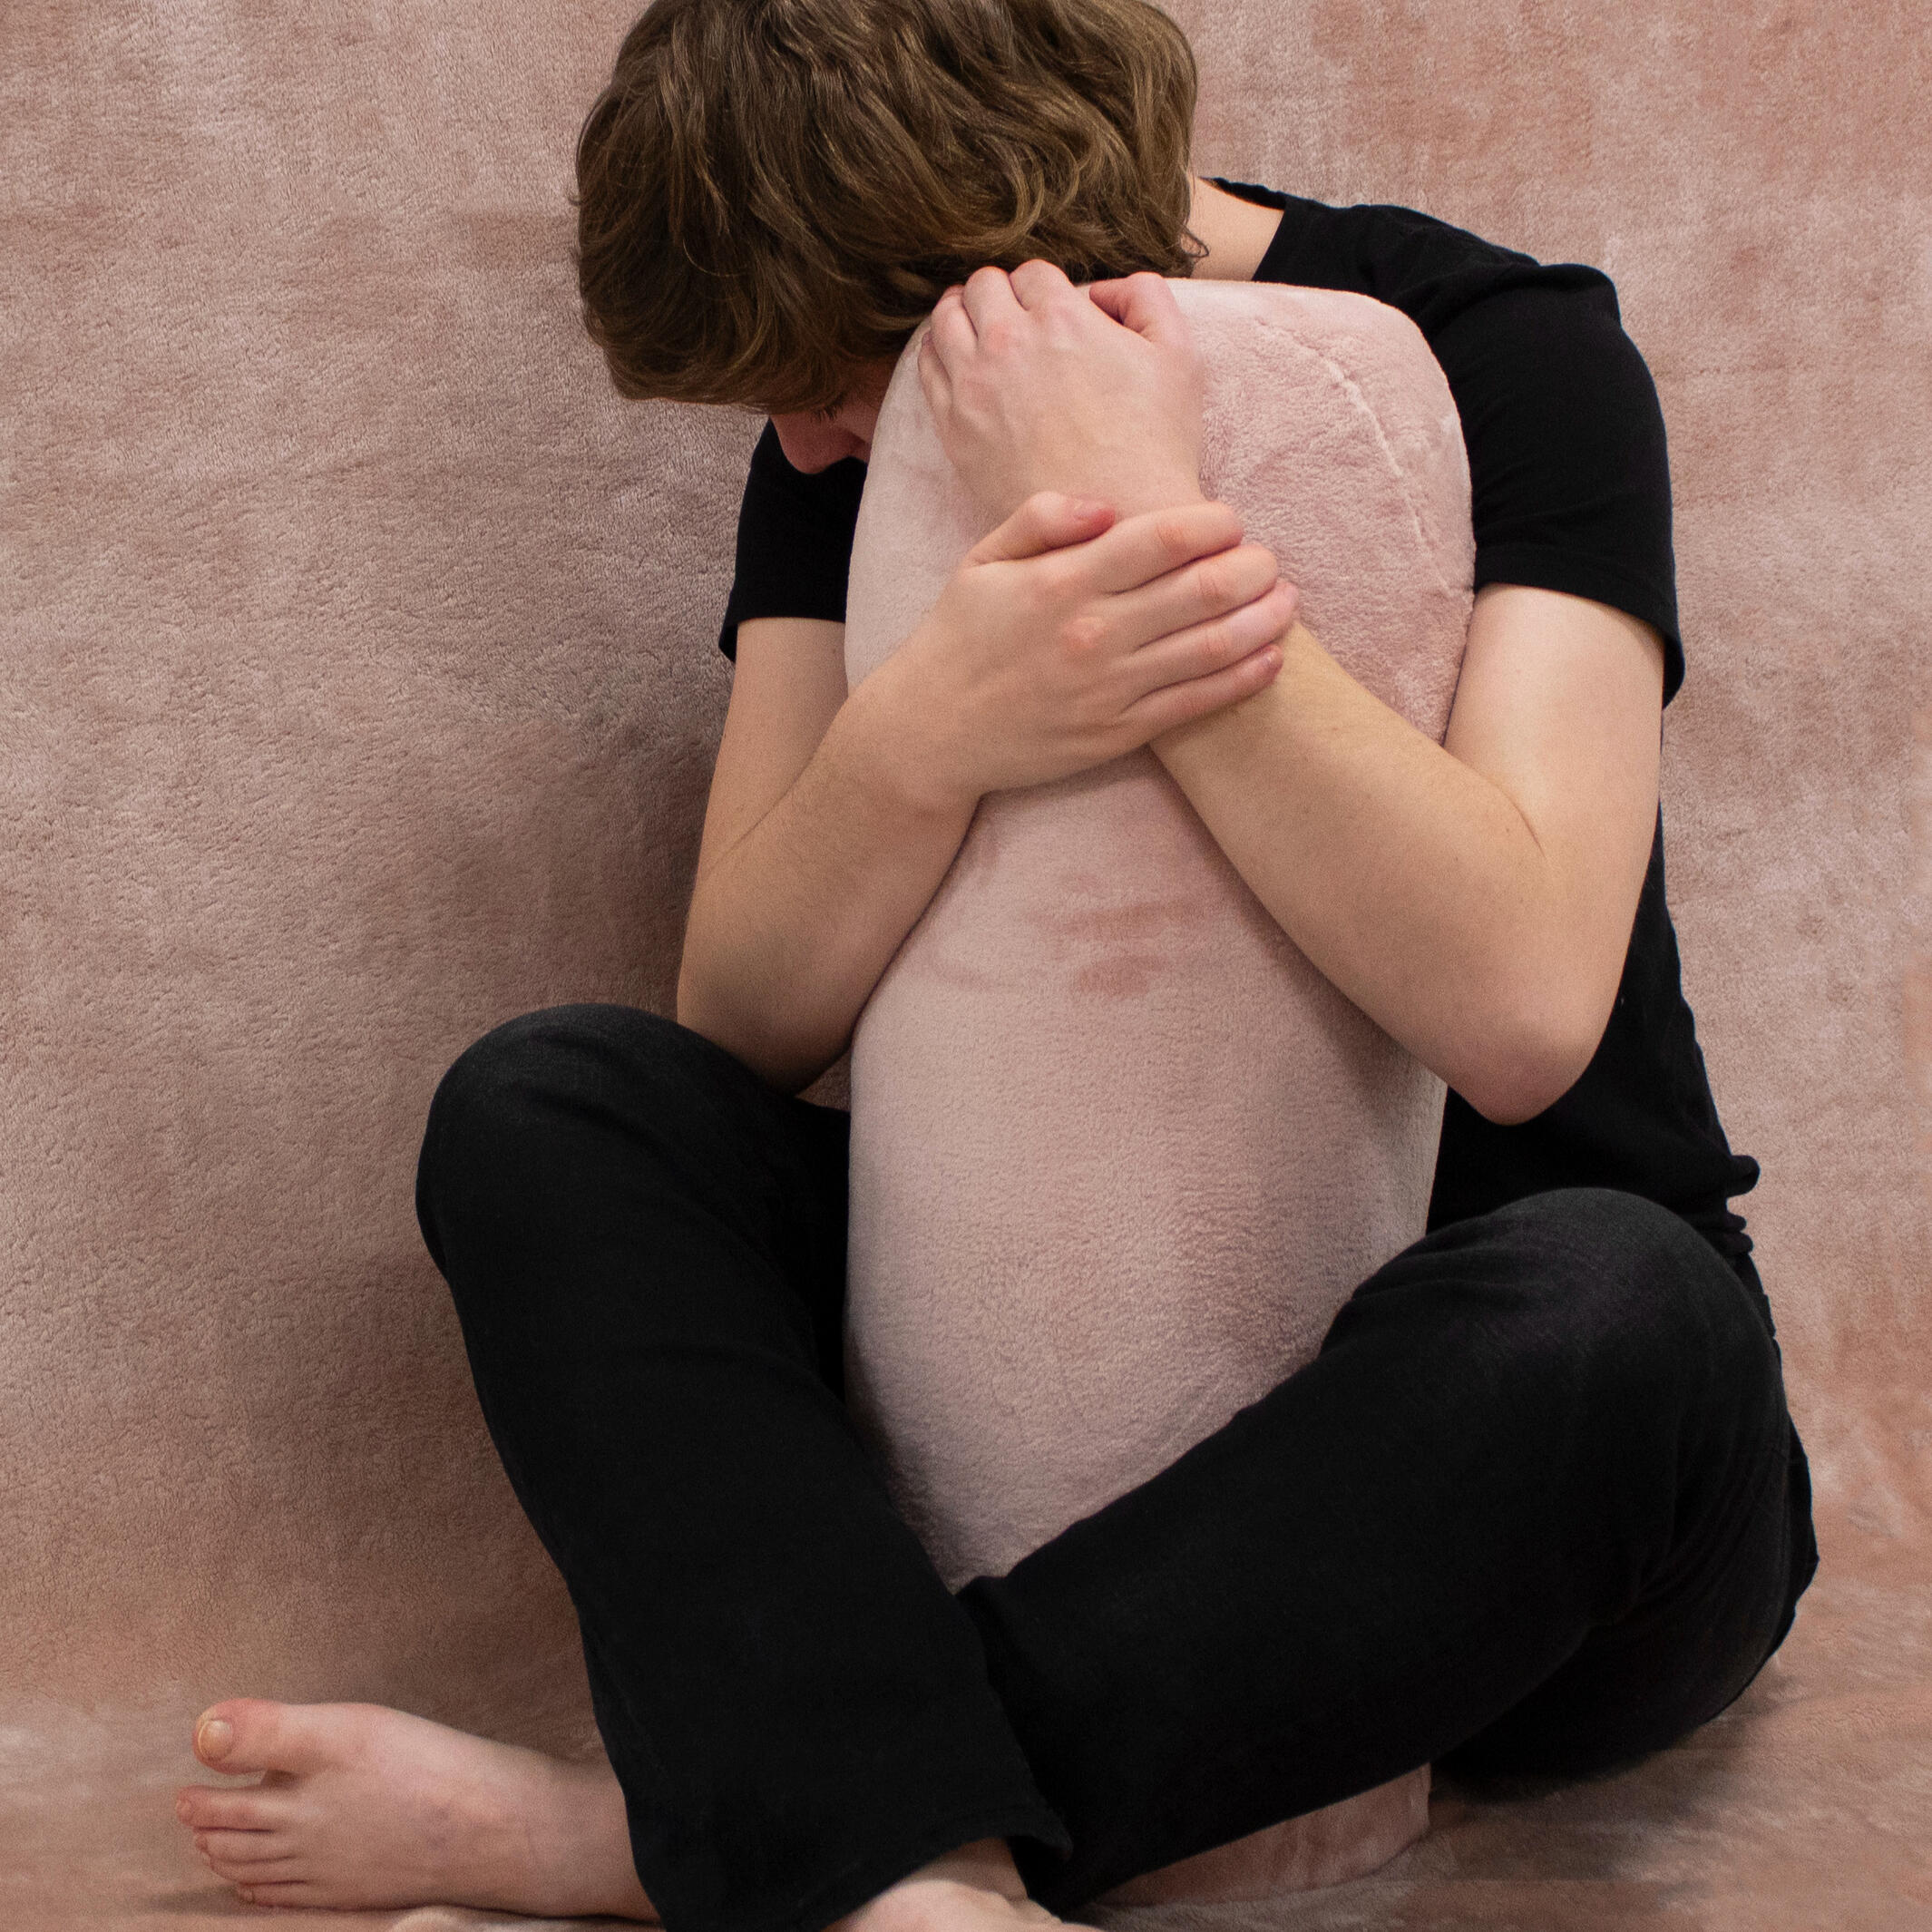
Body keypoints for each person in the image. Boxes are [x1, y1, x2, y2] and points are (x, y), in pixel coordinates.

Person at [172, 0, 1818, 1922]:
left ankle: (672, 1841)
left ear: (995, 253)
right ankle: (885, 1836)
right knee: (552, 1110)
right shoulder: (838, 446)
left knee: (1632, 1314)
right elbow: (749, 1021)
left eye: (821, 378)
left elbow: (1528, 1011)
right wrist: (933, 722)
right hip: (998, 1382)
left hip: (1522, 1490)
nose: (800, 439)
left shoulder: (1505, 352)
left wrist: (1134, 535)